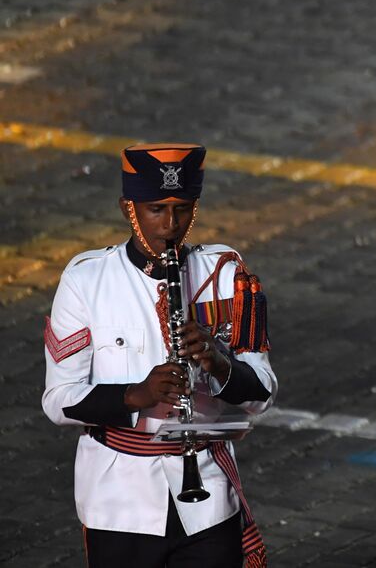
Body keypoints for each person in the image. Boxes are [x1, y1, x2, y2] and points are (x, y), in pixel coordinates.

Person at [42, 143, 276, 568]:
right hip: (118, 502)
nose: (171, 225)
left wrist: (218, 362)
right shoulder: (87, 281)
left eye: (183, 208)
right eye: (156, 209)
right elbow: (58, 401)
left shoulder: (224, 273)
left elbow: (261, 395)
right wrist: (135, 395)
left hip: (208, 500)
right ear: (127, 207)